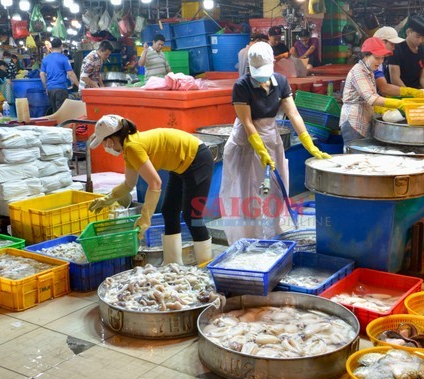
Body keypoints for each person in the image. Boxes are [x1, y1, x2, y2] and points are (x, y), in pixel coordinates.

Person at [220, 42, 331, 244]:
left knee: (275, 189)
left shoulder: (280, 82)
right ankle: (247, 240)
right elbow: (246, 122)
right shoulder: (241, 86)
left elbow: (293, 113)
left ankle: (273, 235)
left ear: (273, 62)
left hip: (271, 137)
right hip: (246, 141)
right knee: (247, 191)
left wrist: (309, 144)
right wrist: (260, 150)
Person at [87, 115, 214, 265]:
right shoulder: (129, 147)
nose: (105, 147)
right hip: (181, 164)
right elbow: (129, 184)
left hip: (197, 158)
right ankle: (173, 264)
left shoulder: (132, 147)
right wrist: (107, 199)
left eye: (104, 143)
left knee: (192, 216)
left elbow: (155, 183)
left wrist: (145, 218)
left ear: (110, 140)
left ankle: (206, 266)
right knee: (169, 211)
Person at [339, 37, 406, 142]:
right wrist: (399, 104)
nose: (380, 61)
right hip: (354, 122)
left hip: (364, 119)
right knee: (354, 156)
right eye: (376, 58)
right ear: (366, 56)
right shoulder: (358, 71)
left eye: (382, 58)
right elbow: (371, 98)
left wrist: (380, 108)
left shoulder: (369, 71)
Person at [373, 26, 424, 98]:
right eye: (392, 44)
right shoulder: (372, 62)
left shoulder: (380, 62)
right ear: (382, 42)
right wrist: (407, 92)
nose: (394, 48)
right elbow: (384, 88)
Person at [388, 15, 424, 90]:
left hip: (414, 92)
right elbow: (395, 79)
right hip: (396, 93)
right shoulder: (396, 49)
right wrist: (409, 93)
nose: (421, 40)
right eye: (418, 36)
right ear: (408, 32)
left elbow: (423, 77)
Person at [40, 38, 80, 113]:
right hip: (60, 89)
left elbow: (42, 74)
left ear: (51, 46)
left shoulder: (45, 59)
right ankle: (61, 125)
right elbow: (70, 73)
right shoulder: (64, 58)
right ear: (61, 46)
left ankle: (57, 124)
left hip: (50, 89)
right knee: (62, 112)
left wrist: (46, 86)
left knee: (55, 112)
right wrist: (79, 85)